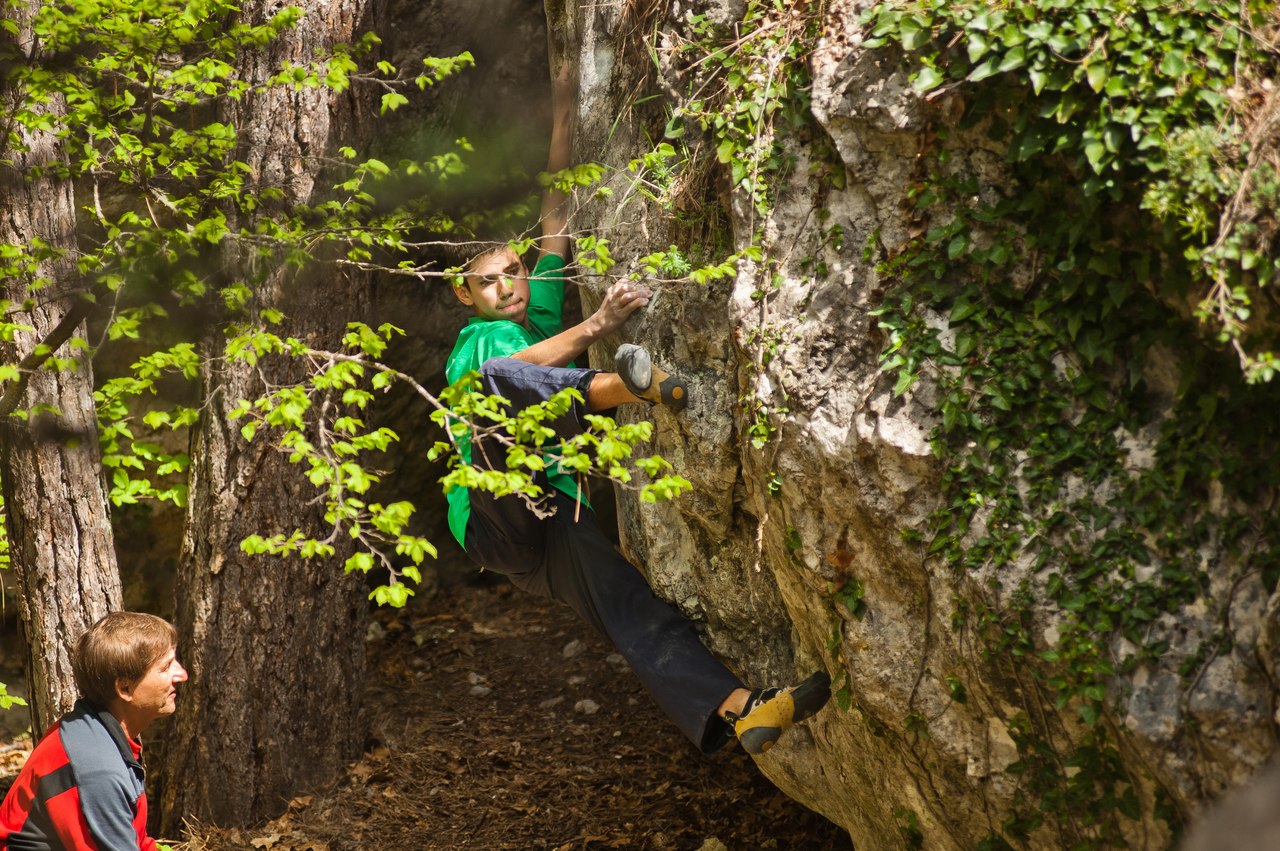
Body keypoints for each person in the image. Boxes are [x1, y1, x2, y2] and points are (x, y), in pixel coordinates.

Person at [442, 58, 830, 756]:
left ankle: (744, 709)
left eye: (513, 273)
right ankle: (629, 386)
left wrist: (565, 110)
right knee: (503, 379)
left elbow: (555, 215)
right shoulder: (480, 338)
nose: (506, 288)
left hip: (549, 522)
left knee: (629, 603)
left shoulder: (539, 308)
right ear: (464, 296)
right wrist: (597, 329)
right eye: (486, 282)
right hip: (491, 512)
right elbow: (496, 384)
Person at [0, 612, 188, 850]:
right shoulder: (96, 771)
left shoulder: (101, 733)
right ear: (125, 688)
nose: (181, 675)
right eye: (166, 667)